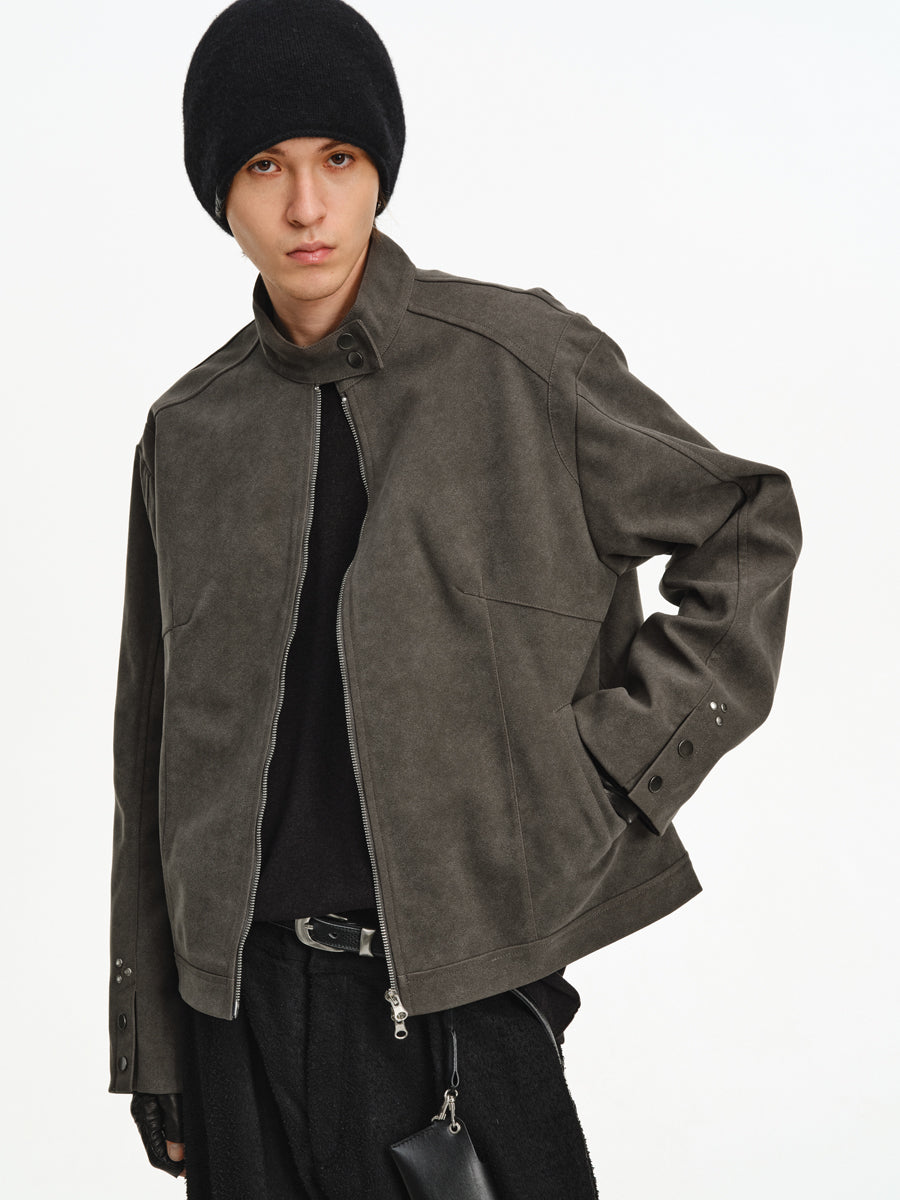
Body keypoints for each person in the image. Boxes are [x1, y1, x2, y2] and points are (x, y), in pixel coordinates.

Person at [109, 0, 802, 1195]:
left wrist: (609, 772)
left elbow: (747, 525)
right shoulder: (188, 432)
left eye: (339, 158)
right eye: (265, 166)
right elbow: (149, 751)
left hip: (461, 997)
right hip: (237, 1014)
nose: (307, 206)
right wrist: (154, 1038)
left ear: (380, 170)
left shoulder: (518, 361)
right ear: (220, 192)